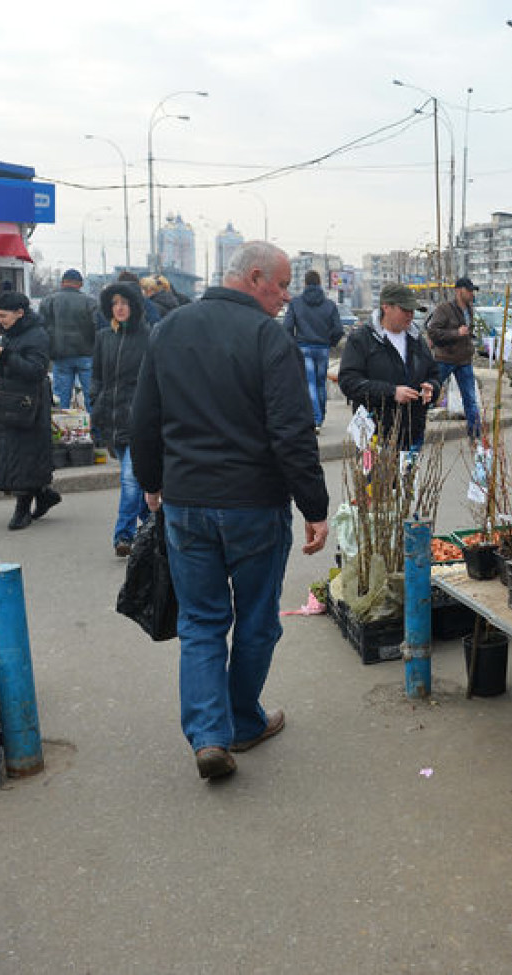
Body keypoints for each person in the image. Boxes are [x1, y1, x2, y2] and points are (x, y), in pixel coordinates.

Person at [130, 241, 330, 781]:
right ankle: (243, 722)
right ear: (255, 276)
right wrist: (314, 506)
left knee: (201, 622)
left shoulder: (169, 328)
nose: (287, 297)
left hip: (188, 503)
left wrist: (151, 483)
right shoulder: (268, 337)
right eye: (282, 285)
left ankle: (208, 736)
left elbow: (144, 417)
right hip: (253, 507)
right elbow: (291, 431)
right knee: (257, 619)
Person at [338, 283, 441, 450]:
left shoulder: (416, 340)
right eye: (405, 310)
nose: (411, 315)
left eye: (412, 310)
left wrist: (432, 388)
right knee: (377, 477)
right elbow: (349, 383)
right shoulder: (361, 340)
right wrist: (391, 392)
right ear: (386, 307)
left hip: (412, 433)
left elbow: (434, 374)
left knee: (407, 476)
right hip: (375, 435)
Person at [0, 291, 62, 530]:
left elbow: (36, 370)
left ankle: (22, 509)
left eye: (3, 315)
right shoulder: (12, 333)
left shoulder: (37, 335)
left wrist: (4, 355)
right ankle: (43, 495)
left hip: (29, 406)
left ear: (20, 313)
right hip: (8, 402)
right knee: (12, 455)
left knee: (25, 457)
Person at [91, 282, 151, 557]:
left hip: (137, 420)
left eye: (125, 302)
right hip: (111, 419)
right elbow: (97, 377)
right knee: (135, 481)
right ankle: (155, 527)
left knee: (129, 481)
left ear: (135, 306)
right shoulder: (104, 336)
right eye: (115, 303)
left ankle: (123, 536)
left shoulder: (148, 336)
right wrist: (96, 403)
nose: (120, 308)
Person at [283, 269, 345, 432]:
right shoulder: (330, 305)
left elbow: (287, 327)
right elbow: (338, 329)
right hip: (323, 349)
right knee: (320, 383)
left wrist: (293, 344)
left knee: (309, 383)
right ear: (319, 284)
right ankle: (320, 416)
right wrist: (329, 342)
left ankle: (315, 418)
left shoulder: (295, 303)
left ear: (305, 283)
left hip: (303, 348)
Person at [427, 277, 482, 441]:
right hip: (445, 359)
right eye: (469, 290)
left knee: (470, 400)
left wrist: (470, 339)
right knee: (430, 394)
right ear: (459, 291)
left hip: (464, 361)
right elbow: (433, 332)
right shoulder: (444, 309)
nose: (472, 294)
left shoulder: (469, 310)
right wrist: (456, 333)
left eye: (473, 291)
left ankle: (475, 435)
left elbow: (466, 332)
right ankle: (414, 430)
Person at [38, 268, 97, 411]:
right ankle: (93, 429)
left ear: (63, 283)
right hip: (87, 355)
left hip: (60, 356)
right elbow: (98, 328)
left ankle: (62, 429)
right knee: (92, 398)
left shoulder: (48, 301)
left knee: (60, 399)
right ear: (80, 284)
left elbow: (41, 328)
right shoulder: (91, 302)